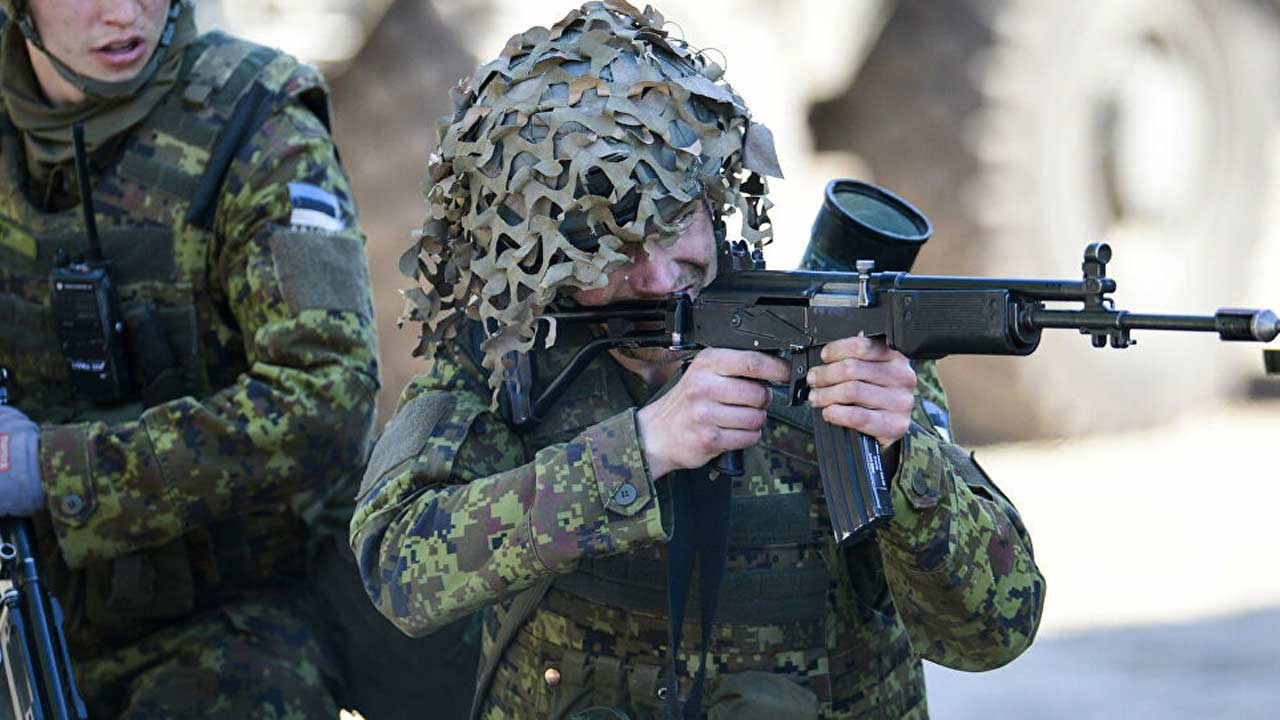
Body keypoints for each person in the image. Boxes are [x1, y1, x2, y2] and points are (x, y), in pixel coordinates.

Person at [351, 2, 1045, 718]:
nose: (654, 276)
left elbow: (994, 632)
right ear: (544, 255)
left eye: (670, 224)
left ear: (713, 200)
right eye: (610, 248)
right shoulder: (511, 354)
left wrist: (905, 461)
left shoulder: (835, 342)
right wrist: (640, 450)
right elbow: (399, 570)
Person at [0, 0, 380, 716]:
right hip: (20, 603)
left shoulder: (259, 127)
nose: (125, 12)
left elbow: (330, 402)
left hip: (230, 619)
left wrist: (52, 472)